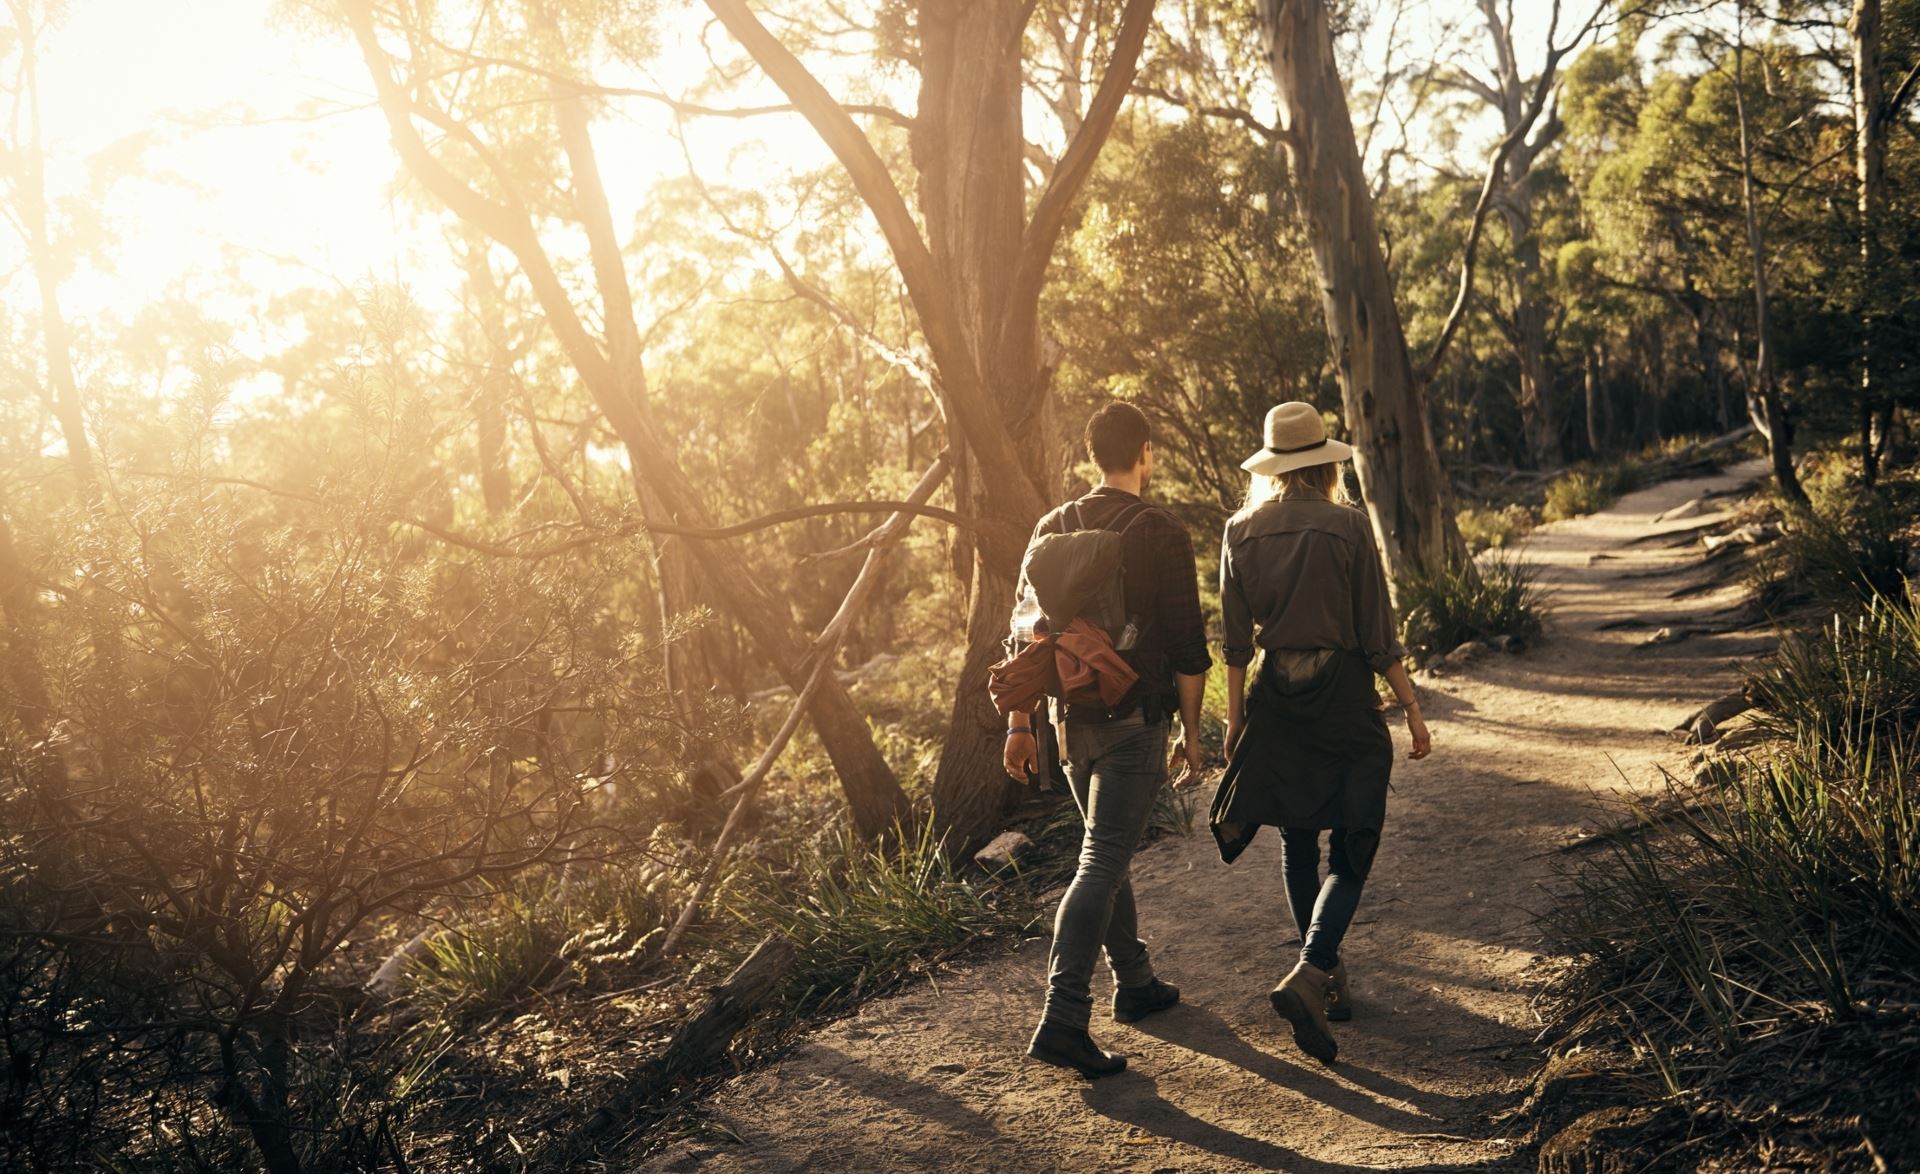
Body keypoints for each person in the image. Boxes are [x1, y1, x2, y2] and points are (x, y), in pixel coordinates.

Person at [1209, 401, 1432, 1066]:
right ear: (1325, 464)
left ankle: (1327, 978)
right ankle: (1313, 971)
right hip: (1342, 697)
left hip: (1275, 697)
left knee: (1297, 839)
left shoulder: (1239, 530)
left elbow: (1234, 645)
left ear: (1273, 467)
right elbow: (1376, 632)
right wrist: (1410, 706)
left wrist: (1236, 720)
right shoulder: (1349, 525)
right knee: (1355, 839)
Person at [1004, 401, 1212, 1079]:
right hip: (1133, 722)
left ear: (1092, 455)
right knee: (1100, 860)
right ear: (1144, 452)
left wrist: (1019, 725)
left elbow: (1022, 635)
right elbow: (1189, 647)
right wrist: (1192, 734)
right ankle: (1063, 1018)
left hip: (1068, 723)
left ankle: (1135, 981)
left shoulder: (1051, 525)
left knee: (1106, 848)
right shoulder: (1162, 531)